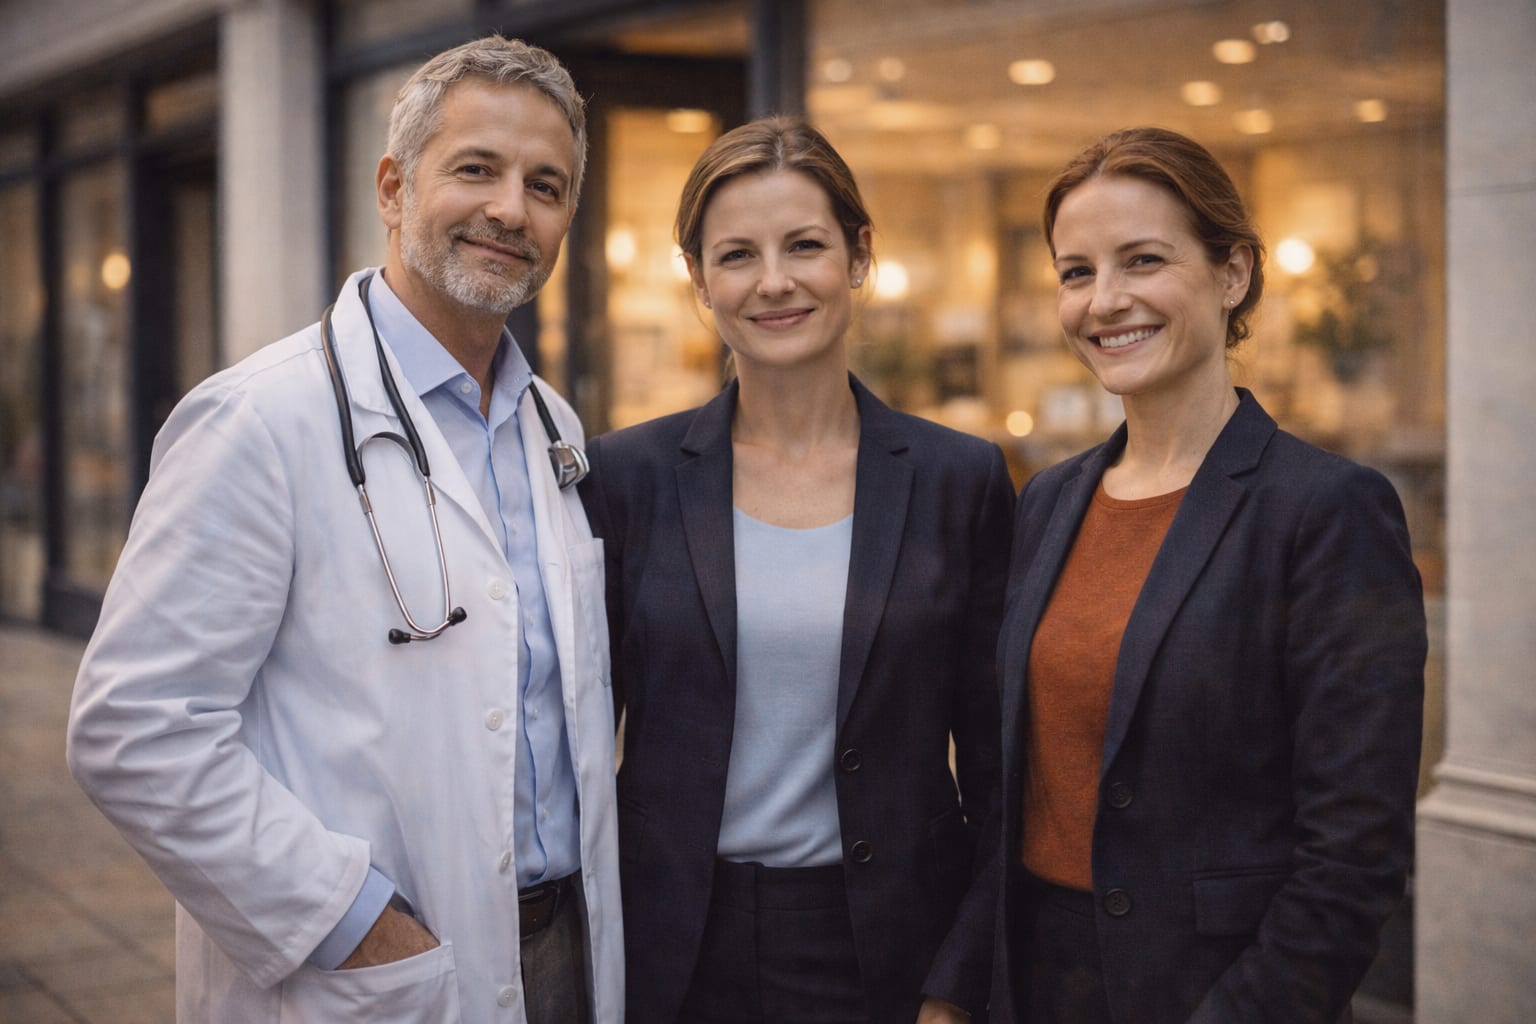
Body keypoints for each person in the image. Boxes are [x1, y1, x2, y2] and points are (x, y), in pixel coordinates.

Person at [66, 36, 621, 1023]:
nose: (511, 209)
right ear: (394, 186)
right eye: (476, 169)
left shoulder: (554, 430)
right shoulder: (259, 420)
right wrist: (355, 921)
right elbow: (135, 728)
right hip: (379, 963)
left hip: (566, 951)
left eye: (547, 185)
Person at [578, 116, 1012, 1024]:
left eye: (804, 245)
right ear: (699, 280)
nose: (773, 282)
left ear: (858, 256)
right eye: (736, 255)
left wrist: (959, 984)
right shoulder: (628, 476)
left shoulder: (956, 479)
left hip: (890, 947)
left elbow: (1002, 769)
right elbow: (575, 735)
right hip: (676, 947)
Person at [989, 126, 1427, 1023]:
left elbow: (1355, 853)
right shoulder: (1048, 502)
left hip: (1216, 996)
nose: (1105, 301)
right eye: (1077, 272)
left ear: (1232, 274)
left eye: (1141, 261)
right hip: (1037, 986)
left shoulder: (1327, 509)